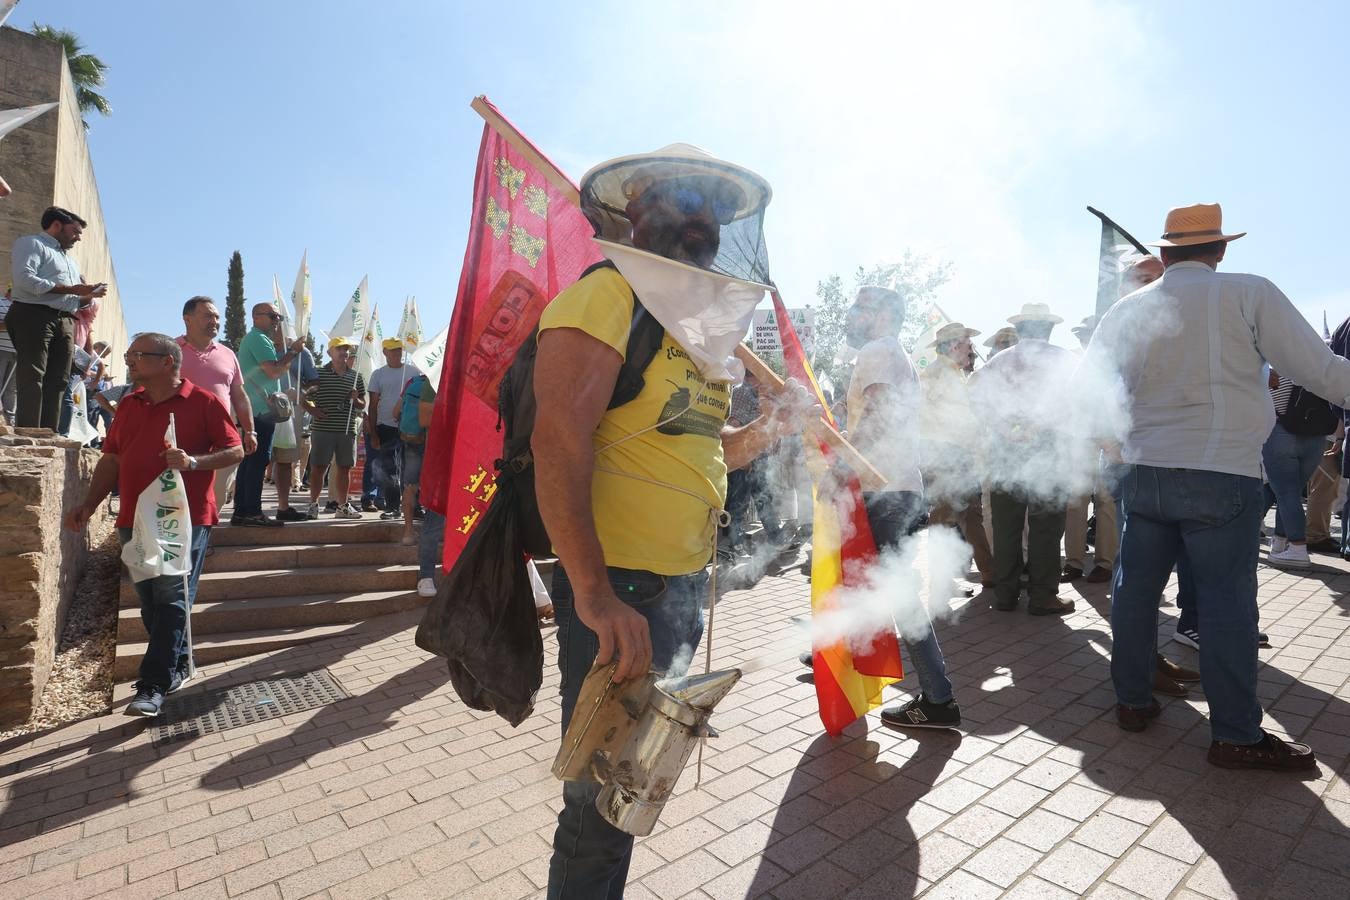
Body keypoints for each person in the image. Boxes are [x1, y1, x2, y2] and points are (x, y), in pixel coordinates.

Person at [537, 143, 811, 898]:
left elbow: (708, 448)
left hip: (682, 586)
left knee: (636, 781)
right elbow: (557, 444)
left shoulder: (690, 327)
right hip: (622, 588)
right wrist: (595, 596)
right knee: (600, 798)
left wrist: (775, 426)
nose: (700, 222)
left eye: (713, 211)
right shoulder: (606, 297)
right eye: (683, 201)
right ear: (637, 211)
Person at [1089, 202, 1350, 770]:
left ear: (1165, 254)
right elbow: (1321, 369)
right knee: (1226, 604)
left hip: (1145, 472)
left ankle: (1132, 700)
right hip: (1221, 472)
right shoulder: (1248, 292)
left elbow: (1092, 389)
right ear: (1221, 249)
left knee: (1134, 593)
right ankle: (1234, 735)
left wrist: (1114, 442)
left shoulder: (1127, 309)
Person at [63, 333, 242, 716]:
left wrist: (192, 462)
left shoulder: (204, 402)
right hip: (135, 518)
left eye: (137, 355)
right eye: (129, 354)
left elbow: (235, 449)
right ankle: (179, 661)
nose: (129, 360)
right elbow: (111, 459)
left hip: (183, 517)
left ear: (167, 362)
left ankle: (153, 684)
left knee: (172, 597)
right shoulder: (129, 404)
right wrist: (89, 504)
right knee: (149, 600)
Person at [832, 287, 963, 730]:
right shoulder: (892, 352)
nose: (852, 313)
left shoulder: (878, 349)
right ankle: (836, 655)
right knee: (876, 585)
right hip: (895, 487)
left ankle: (938, 698)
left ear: (884, 315)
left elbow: (878, 415)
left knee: (896, 592)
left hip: (883, 490)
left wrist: (843, 466)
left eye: (861, 308)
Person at [975, 303, 1076, 616]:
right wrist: (1038, 426)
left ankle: (1005, 593)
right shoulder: (1064, 360)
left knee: (1006, 526)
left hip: (1004, 449)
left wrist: (1004, 428)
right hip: (1050, 448)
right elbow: (1074, 402)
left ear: (1019, 330)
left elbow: (976, 399)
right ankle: (1043, 595)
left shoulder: (998, 361)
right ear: (1049, 328)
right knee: (1046, 526)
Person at [6, 206, 107, 430]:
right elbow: (25, 280)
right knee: (33, 374)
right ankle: (29, 431)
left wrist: (89, 295)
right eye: (75, 231)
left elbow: (71, 298)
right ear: (57, 225)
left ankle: (48, 432)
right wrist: (73, 289)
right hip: (34, 315)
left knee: (59, 378)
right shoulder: (32, 244)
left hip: (66, 320)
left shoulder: (69, 260)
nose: (78, 237)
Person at [921, 321, 995, 589]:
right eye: (967, 342)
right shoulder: (937, 373)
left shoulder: (951, 372)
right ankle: (940, 582)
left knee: (970, 515)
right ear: (954, 345)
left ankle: (989, 573)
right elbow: (931, 415)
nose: (970, 347)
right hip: (944, 454)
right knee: (943, 518)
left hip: (956, 454)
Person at [177, 296, 258, 520]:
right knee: (181, 492)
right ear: (187, 319)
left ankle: (206, 532)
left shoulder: (228, 354)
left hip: (221, 436)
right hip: (181, 435)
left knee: (218, 491)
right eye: (207, 316)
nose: (214, 321)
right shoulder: (171, 351)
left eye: (217, 317)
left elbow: (239, 395)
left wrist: (250, 430)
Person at [234, 302, 307, 526]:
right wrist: (293, 351)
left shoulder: (253, 338)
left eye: (279, 317)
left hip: (254, 408)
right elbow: (274, 371)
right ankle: (252, 512)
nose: (277, 322)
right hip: (260, 409)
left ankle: (242, 511)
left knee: (251, 461)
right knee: (258, 461)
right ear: (257, 317)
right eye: (273, 316)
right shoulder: (259, 338)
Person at [1062, 314, 1117, 584]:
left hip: (1109, 438)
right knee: (1075, 501)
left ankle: (1105, 562)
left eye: (1087, 334)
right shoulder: (1073, 361)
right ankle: (1073, 562)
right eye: (1082, 335)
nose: (1085, 339)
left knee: (1106, 502)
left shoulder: (1116, 361)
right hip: (1079, 438)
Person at [1261, 370, 1334, 568]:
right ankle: (1280, 542)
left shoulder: (1271, 366)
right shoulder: (1313, 363)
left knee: (1286, 493)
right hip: (1316, 437)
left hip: (1280, 433)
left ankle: (1297, 548)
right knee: (1289, 493)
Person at [304, 337, 366, 519]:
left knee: (344, 468)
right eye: (339, 349)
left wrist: (356, 399)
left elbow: (362, 404)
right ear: (329, 352)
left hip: (346, 429)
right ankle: (313, 505)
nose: (343, 352)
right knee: (318, 467)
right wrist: (312, 410)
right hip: (323, 428)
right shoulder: (318, 374)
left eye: (346, 349)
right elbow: (303, 395)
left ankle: (342, 506)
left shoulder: (356, 376)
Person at [366, 338, 422, 520]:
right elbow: (372, 405)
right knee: (390, 468)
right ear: (385, 352)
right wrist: (373, 433)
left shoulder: (414, 372)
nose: (397, 353)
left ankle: (414, 507)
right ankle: (392, 507)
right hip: (386, 427)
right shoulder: (378, 374)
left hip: (410, 427)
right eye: (393, 350)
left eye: (399, 349)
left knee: (412, 468)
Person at [269, 330, 320, 522]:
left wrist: (301, 392)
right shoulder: (260, 346)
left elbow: (315, 381)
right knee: (256, 459)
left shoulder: (302, 352)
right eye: (272, 320)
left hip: (290, 411)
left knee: (285, 459)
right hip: (260, 409)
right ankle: (248, 506)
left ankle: (283, 507)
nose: (275, 327)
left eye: (278, 321)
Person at [0, 288, 15, 424]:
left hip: (18, 352)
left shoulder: (24, 305)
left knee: (11, 388)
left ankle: (9, 419)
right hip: (1, 349)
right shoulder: (0, 302)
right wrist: (10, 324)